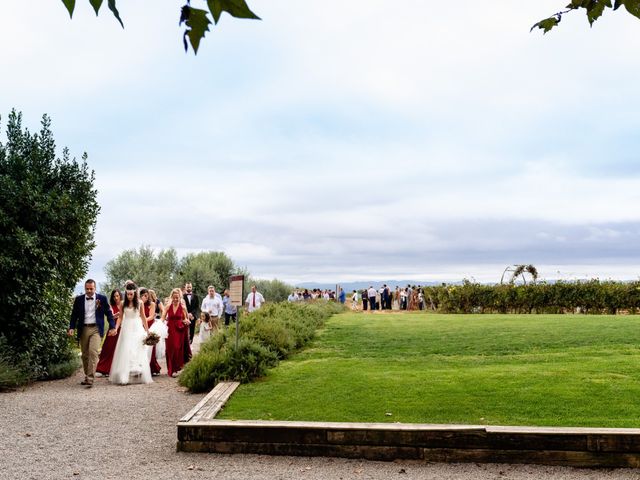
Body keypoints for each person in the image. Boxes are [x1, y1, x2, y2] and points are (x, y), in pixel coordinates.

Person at [68, 279, 116, 387]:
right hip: (83, 329)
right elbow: (74, 315)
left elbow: (108, 313)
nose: (89, 291)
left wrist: (112, 326)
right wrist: (71, 327)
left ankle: (90, 378)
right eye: (87, 289)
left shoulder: (102, 299)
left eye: (91, 289)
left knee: (93, 352)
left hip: (96, 329)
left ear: (95, 288)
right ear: (85, 288)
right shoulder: (79, 299)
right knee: (85, 355)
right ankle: (87, 375)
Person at [109, 283, 152, 385]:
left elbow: (143, 317)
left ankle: (137, 371)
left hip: (137, 327)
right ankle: (124, 375)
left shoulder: (140, 303)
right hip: (126, 327)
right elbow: (120, 317)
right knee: (126, 349)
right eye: (128, 294)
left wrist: (147, 330)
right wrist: (116, 328)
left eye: (131, 294)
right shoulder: (123, 303)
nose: (129, 296)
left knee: (137, 348)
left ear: (134, 293)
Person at [163, 287, 190, 377]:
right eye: (174, 297)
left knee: (177, 348)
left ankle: (177, 368)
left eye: (177, 297)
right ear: (171, 297)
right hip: (169, 329)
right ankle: (171, 368)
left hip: (179, 330)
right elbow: (162, 318)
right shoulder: (167, 307)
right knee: (170, 349)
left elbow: (186, 318)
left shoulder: (183, 307)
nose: (175, 299)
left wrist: (186, 320)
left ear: (179, 297)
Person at [96, 289, 122, 377]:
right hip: (113, 328)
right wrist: (116, 315)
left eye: (117, 296)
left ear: (120, 296)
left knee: (119, 349)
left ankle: (117, 369)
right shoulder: (111, 306)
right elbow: (110, 316)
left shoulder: (123, 305)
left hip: (122, 328)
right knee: (108, 348)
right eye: (114, 296)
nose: (116, 298)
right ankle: (103, 368)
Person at [140, 288, 161, 376]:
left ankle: (152, 367)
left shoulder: (152, 304)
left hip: (149, 325)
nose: (144, 297)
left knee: (150, 347)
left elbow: (152, 316)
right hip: (140, 326)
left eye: (146, 295)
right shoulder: (138, 304)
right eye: (142, 296)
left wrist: (143, 321)